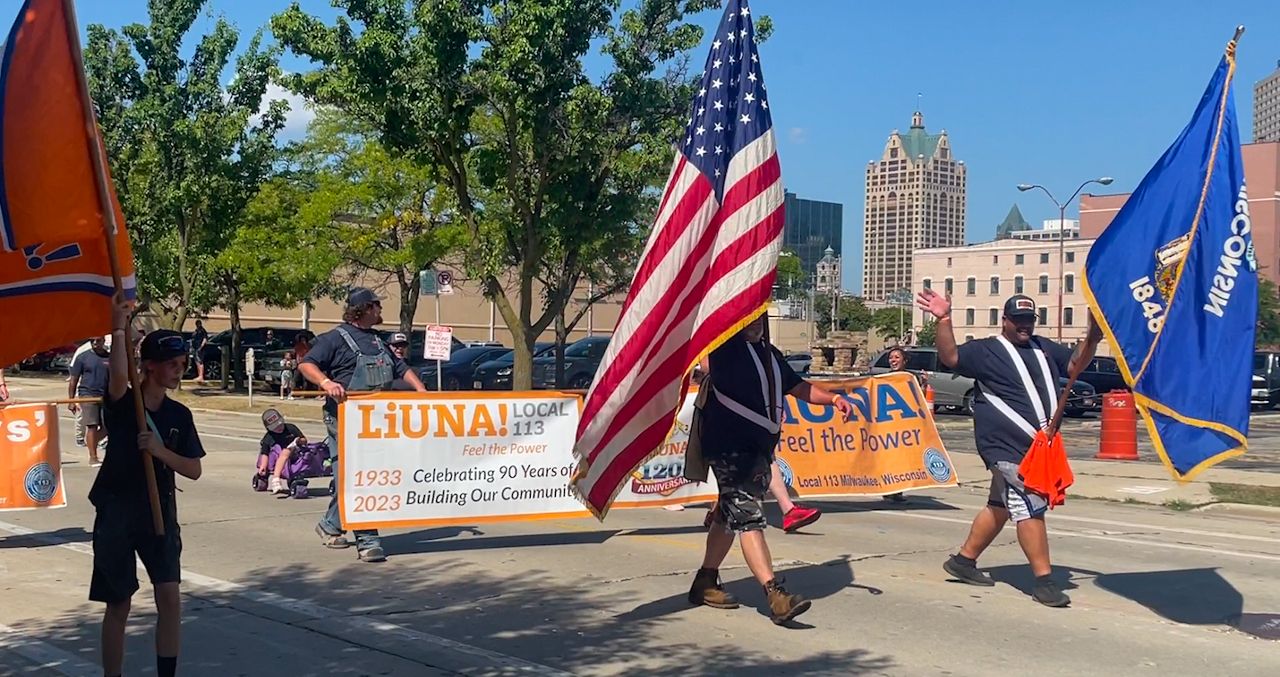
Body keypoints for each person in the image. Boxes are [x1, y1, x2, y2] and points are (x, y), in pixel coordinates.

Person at [917, 290, 1101, 608]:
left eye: (1029, 320)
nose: (1024, 326)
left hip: (1036, 448)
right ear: (1005, 321)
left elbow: (1075, 366)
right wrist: (944, 319)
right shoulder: (988, 350)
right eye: (1018, 321)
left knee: (999, 506)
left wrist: (1092, 338)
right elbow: (951, 357)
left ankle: (963, 561)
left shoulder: (1043, 349)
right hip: (1003, 445)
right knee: (1030, 502)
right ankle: (1044, 581)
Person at [688, 314, 853, 625]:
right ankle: (774, 594)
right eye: (748, 318)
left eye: (759, 318)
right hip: (728, 448)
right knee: (748, 517)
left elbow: (799, 388)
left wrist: (832, 400)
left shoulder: (771, 356)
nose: (755, 324)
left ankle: (705, 581)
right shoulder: (725, 349)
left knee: (728, 515)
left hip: (759, 450)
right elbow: (706, 357)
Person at [91, 293, 205, 677]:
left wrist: (159, 452)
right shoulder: (125, 402)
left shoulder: (179, 414)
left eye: (182, 364)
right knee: (119, 601)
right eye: (171, 365)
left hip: (159, 514)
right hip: (118, 511)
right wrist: (118, 326)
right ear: (150, 366)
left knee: (169, 597)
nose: (178, 371)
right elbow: (119, 379)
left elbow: (193, 469)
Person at [299, 287, 427, 563]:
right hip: (345, 418)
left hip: (377, 421)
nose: (381, 310)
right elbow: (306, 365)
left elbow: (400, 368)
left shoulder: (379, 342)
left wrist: (421, 391)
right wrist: (327, 383)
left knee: (357, 475)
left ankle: (331, 524)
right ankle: (368, 539)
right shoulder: (333, 339)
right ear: (364, 308)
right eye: (377, 305)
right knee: (362, 475)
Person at [695, 357, 821, 533]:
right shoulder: (726, 344)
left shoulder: (761, 347)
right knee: (739, 503)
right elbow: (707, 364)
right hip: (723, 411)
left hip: (754, 412)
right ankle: (720, 511)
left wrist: (775, 407)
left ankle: (788, 510)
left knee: (766, 456)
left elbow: (779, 380)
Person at [883, 346, 924, 504]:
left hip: (905, 425)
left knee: (902, 458)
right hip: (889, 424)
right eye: (891, 358)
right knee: (890, 457)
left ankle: (897, 490)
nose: (893, 360)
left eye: (896, 357)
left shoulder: (911, 378)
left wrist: (924, 384)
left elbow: (918, 399)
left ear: (904, 360)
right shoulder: (883, 379)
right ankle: (889, 489)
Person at [69, 336, 112, 467]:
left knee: (108, 426)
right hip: (87, 395)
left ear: (104, 341)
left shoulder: (109, 358)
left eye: (98, 340)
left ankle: (91, 441)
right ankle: (93, 457)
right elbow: (73, 380)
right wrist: (71, 400)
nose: (94, 343)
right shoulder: (83, 357)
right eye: (92, 340)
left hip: (105, 396)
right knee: (92, 425)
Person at [257, 408, 307, 495]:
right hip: (278, 455)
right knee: (285, 451)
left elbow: (304, 439)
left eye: (280, 425)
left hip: (296, 452)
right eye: (275, 427)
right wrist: (263, 465)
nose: (279, 428)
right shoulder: (269, 436)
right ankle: (276, 479)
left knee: (307, 451)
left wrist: (299, 441)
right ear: (269, 428)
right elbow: (265, 452)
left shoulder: (291, 428)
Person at [192, 320, 209, 384]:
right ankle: (199, 376)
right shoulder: (196, 330)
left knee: (200, 361)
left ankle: (201, 376)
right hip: (195, 348)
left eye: (198, 324)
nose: (197, 325)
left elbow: (205, 339)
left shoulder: (202, 331)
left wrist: (201, 347)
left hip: (200, 348)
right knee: (197, 362)